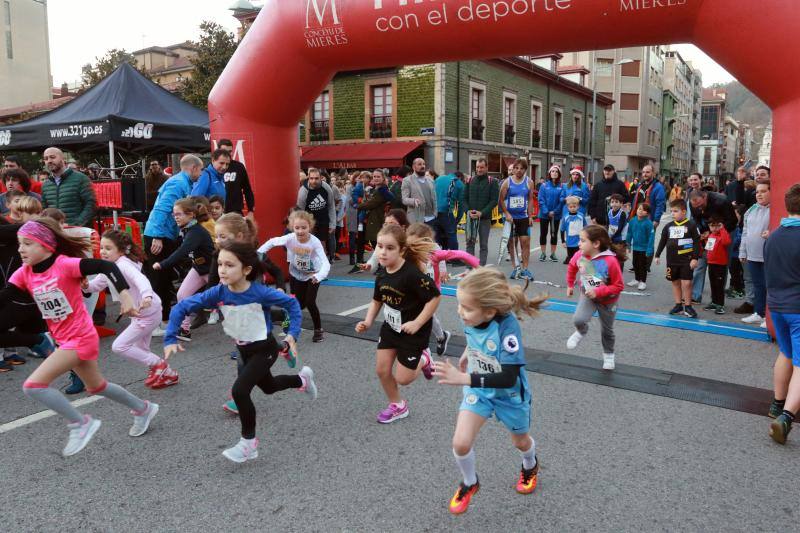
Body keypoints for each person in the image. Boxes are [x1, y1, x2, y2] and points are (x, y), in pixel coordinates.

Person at [7, 217, 157, 456]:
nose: (20, 249)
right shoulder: (24, 274)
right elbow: (5, 297)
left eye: (26, 243)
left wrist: (125, 296)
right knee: (97, 386)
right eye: (19, 243)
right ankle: (143, 408)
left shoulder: (65, 265)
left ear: (45, 245)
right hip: (63, 339)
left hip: (81, 337)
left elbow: (108, 267)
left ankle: (80, 423)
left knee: (33, 386)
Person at [164, 241, 315, 462]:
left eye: (229, 265)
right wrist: (169, 337)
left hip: (265, 348)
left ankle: (248, 444)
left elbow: (291, 305)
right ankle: (302, 380)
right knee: (269, 387)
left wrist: (292, 334)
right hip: (244, 350)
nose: (222, 270)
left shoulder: (260, 292)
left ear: (246, 270)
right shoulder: (217, 292)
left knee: (240, 391)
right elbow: (181, 307)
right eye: (221, 265)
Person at [431, 267, 545, 514]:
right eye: (460, 305)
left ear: (490, 311)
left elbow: (507, 377)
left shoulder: (507, 328)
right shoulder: (474, 317)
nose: (461, 312)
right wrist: (467, 353)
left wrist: (463, 377)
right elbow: (476, 338)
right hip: (480, 392)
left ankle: (530, 463)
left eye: (467, 308)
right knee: (460, 443)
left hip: (509, 395)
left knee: (520, 441)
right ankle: (470, 482)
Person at [354, 224, 439, 423]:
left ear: (401, 250)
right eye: (379, 246)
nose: (383, 252)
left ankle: (425, 358)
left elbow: (434, 297)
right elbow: (377, 300)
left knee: (404, 378)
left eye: (390, 248)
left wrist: (418, 323)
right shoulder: (382, 273)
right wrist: (367, 321)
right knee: (382, 370)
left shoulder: (411, 274)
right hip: (391, 328)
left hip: (413, 332)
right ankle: (398, 406)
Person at [85, 230, 178, 388]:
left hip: (148, 313)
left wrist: (147, 295)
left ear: (121, 251)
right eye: (101, 247)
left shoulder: (124, 265)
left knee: (119, 346)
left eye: (108, 248)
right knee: (141, 349)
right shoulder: (109, 267)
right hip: (142, 313)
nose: (103, 252)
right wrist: (85, 285)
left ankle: (159, 365)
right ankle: (169, 374)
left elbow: (140, 279)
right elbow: (96, 285)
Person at [143, 155, 203, 326]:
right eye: (200, 170)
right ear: (193, 168)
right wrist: (158, 236)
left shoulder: (181, 182)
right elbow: (163, 208)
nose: (200, 174)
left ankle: (165, 318)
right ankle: (159, 321)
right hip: (159, 235)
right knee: (159, 280)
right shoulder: (178, 183)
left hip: (165, 234)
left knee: (165, 278)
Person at [258, 210, 330, 343]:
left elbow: (326, 263)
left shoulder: (315, 242)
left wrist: (319, 276)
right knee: (298, 303)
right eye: (297, 228)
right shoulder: (290, 238)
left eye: (304, 228)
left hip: (313, 274)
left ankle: (318, 330)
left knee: (310, 302)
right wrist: (258, 254)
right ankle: (290, 323)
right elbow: (272, 242)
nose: (300, 231)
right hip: (296, 273)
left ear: (310, 227)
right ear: (292, 227)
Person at [765, 184, 800, 444]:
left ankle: (777, 404)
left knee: (785, 353)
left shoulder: (774, 236)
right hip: (798, 308)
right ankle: (787, 417)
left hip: (776, 306)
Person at [152, 198, 215, 340]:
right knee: (182, 295)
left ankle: (254, 326)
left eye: (179, 214)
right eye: (174, 214)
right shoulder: (187, 229)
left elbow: (182, 251)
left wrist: (162, 264)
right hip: (199, 269)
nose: (175, 217)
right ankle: (184, 329)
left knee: (231, 301)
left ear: (191, 215)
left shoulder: (196, 232)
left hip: (213, 271)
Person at [565, 225, 625, 370]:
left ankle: (609, 355)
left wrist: (599, 292)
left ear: (596, 244)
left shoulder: (610, 261)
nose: (579, 243)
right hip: (588, 296)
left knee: (607, 330)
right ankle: (581, 331)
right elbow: (572, 267)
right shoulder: (579, 255)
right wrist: (570, 285)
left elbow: (618, 286)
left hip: (608, 300)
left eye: (582, 240)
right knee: (578, 319)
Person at [688, 188, 738, 305]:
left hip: (725, 231)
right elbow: (697, 219)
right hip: (707, 232)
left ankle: (717, 299)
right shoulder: (693, 204)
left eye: (700, 205)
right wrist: (703, 232)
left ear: (705, 197)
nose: (698, 208)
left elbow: (733, 221)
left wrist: (716, 233)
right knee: (701, 262)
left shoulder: (721, 201)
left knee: (720, 266)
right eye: (695, 206)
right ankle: (695, 295)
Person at [654, 200, 702, 318]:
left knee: (687, 283)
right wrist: (657, 255)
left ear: (684, 212)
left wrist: (695, 258)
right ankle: (678, 305)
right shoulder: (668, 226)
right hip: (672, 260)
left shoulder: (691, 225)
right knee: (675, 282)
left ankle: (688, 306)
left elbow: (697, 242)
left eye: (675, 211)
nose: (672, 214)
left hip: (687, 259)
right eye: (671, 211)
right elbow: (663, 241)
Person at [739, 180, 770, 327]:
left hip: (768, 256)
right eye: (757, 191)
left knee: (768, 286)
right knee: (758, 285)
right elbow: (745, 232)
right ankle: (759, 313)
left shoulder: (775, 210)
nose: (759, 194)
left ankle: (768, 317)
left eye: (763, 191)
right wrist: (742, 251)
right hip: (752, 254)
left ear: (771, 192)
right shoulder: (750, 210)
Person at [40, 147, 96, 227]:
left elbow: (92, 204)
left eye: (52, 157)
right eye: (46, 159)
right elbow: (44, 209)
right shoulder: (46, 185)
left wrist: (75, 225)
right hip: (55, 232)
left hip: (77, 234)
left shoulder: (81, 179)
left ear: (63, 159)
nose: (49, 161)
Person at [498, 159, 535, 280]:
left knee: (525, 242)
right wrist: (507, 213)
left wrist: (530, 216)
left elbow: (530, 200)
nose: (519, 171)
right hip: (511, 219)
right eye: (516, 168)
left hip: (523, 217)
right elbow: (501, 200)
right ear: (513, 169)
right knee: (512, 244)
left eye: (522, 168)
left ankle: (525, 269)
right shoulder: (507, 182)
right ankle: (515, 268)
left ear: (525, 170)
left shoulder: (529, 182)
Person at [464, 159, 499, 266]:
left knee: (483, 245)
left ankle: (481, 268)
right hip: (471, 217)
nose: (479, 169)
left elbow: (494, 201)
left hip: (484, 218)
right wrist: (468, 211)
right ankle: (470, 267)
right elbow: (464, 198)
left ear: (486, 168)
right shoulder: (470, 180)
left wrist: (482, 213)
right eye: (478, 167)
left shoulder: (492, 181)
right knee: (470, 243)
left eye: (482, 167)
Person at [297, 167, 336, 256]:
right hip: (309, 222)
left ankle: (324, 266)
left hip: (323, 220)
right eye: (311, 178)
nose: (314, 181)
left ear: (321, 178)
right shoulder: (303, 191)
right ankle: (312, 267)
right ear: (308, 178)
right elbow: (300, 212)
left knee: (322, 245)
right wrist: (301, 227)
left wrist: (332, 223)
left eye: (316, 178)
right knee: (310, 246)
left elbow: (331, 206)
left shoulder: (326, 187)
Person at [217, 139, 255, 216]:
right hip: (218, 212)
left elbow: (247, 189)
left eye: (230, 151)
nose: (227, 154)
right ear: (218, 151)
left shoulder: (239, 167)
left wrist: (251, 210)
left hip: (235, 211)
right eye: (224, 151)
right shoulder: (211, 168)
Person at [703, 216, 731, 315]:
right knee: (713, 284)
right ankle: (714, 302)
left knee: (719, 285)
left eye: (717, 226)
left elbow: (726, 242)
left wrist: (722, 228)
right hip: (711, 263)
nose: (715, 228)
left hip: (720, 264)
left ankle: (720, 304)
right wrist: (705, 239)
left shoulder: (723, 234)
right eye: (712, 226)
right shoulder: (711, 235)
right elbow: (709, 249)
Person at [625, 203, 655, 290]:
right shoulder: (632, 221)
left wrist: (649, 249)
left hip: (644, 248)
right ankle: (636, 279)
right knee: (635, 264)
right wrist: (628, 244)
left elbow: (651, 237)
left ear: (647, 213)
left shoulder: (649, 223)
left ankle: (643, 282)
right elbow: (629, 233)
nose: (640, 211)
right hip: (636, 247)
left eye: (643, 210)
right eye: (639, 209)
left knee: (643, 265)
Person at [537, 165, 563, 262]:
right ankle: (543, 253)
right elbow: (541, 200)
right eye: (552, 171)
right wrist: (546, 211)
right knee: (543, 233)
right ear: (549, 173)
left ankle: (553, 254)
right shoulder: (544, 186)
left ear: (559, 174)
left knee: (554, 234)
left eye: (556, 171)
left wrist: (555, 211)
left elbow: (561, 201)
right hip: (544, 215)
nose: (554, 173)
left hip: (556, 215)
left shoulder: (561, 186)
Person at [434, 171, 465, 251]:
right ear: (460, 178)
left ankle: (441, 257)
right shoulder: (459, 183)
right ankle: (454, 259)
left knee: (438, 235)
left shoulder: (439, 179)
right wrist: (457, 220)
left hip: (434, 212)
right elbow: (461, 205)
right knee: (451, 234)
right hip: (446, 212)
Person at [630, 164, 666, 232]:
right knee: (636, 241)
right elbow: (635, 202)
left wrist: (656, 220)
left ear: (653, 173)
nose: (644, 174)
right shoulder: (640, 186)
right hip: (637, 219)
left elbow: (660, 205)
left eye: (647, 172)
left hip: (649, 220)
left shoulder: (658, 187)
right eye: (643, 172)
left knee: (647, 241)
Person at [401, 158, 437, 225]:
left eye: (423, 164)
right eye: (419, 164)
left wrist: (435, 213)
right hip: (416, 219)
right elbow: (404, 199)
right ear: (413, 167)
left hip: (431, 218)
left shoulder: (430, 180)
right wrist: (413, 201)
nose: (422, 166)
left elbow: (434, 198)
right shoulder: (407, 180)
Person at [560, 196, 590, 266]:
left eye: (574, 206)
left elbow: (585, 227)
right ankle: (570, 260)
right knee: (571, 259)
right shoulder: (566, 217)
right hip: (569, 242)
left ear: (578, 206)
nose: (573, 208)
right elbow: (562, 230)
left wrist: (587, 238)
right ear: (567, 207)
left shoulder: (581, 216)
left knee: (579, 258)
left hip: (579, 241)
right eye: (571, 207)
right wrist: (563, 241)